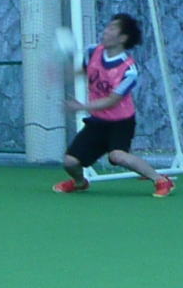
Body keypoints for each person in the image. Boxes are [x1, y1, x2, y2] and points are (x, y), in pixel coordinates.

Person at [52, 13, 175, 198]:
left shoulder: (128, 70)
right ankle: (80, 183)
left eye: (112, 29)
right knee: (70, 162)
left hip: (121, 123)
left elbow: (112, 100)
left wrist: (81, 107)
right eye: (107, 27)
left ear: (122, 38)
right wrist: (61, 73)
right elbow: (84, 71)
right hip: (97, 122)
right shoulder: (93, 52)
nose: (105, 31)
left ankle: (160, 180)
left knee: (117, 156)